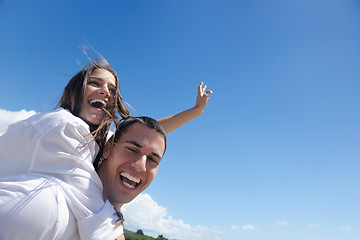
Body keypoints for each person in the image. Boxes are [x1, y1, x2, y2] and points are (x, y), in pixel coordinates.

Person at [0, 58, 212, 239]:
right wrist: (115, 223)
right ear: (73, 94)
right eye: (95, 83)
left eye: (112, 90)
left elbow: (144, 134)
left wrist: (195, 111)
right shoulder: (65, 126)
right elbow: (93, 210)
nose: (105, 91)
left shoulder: (91, 141)